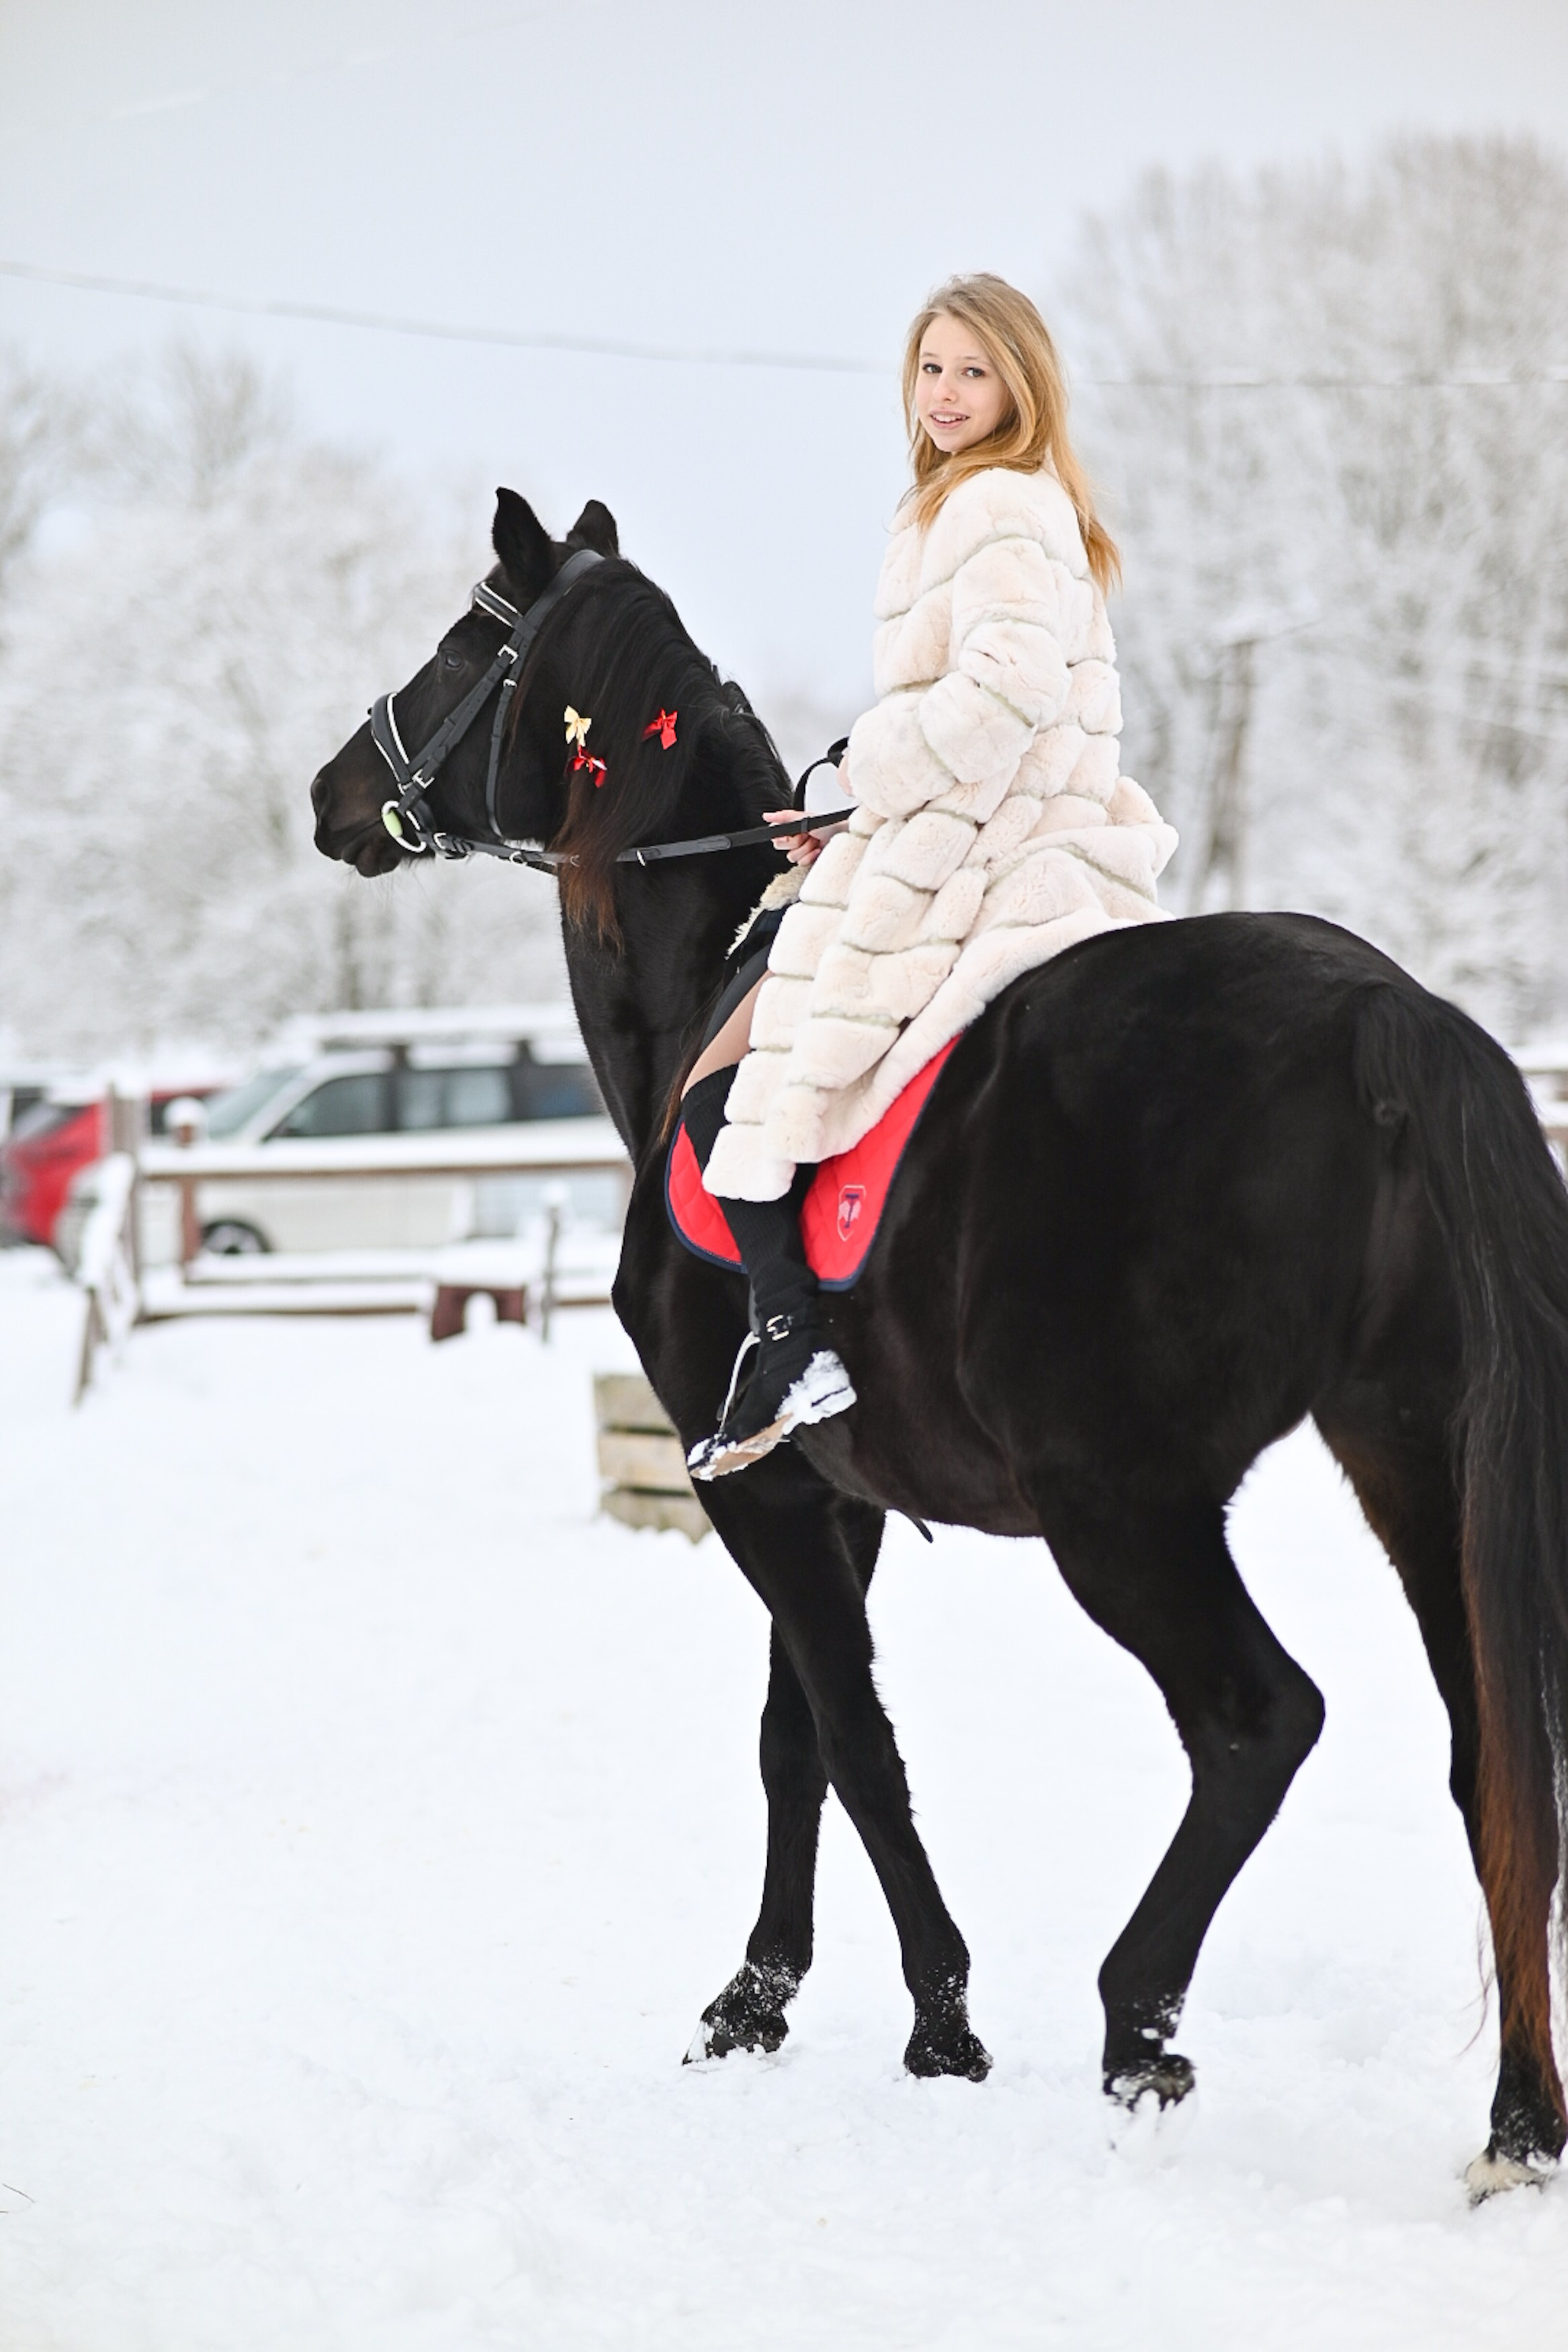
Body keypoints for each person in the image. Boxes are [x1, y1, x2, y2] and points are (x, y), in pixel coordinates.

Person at [683, 273, 1177, 1480]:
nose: (946, 393)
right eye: (930, 368)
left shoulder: (995, 505)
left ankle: (793, 1334)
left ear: (1020, 384)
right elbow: (965, 701)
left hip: (974, 838)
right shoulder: (987, 502)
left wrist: (871, 783)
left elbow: (1003, 696)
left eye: (972, 371)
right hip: (973, 811)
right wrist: (851, 785)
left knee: (725, 1083)